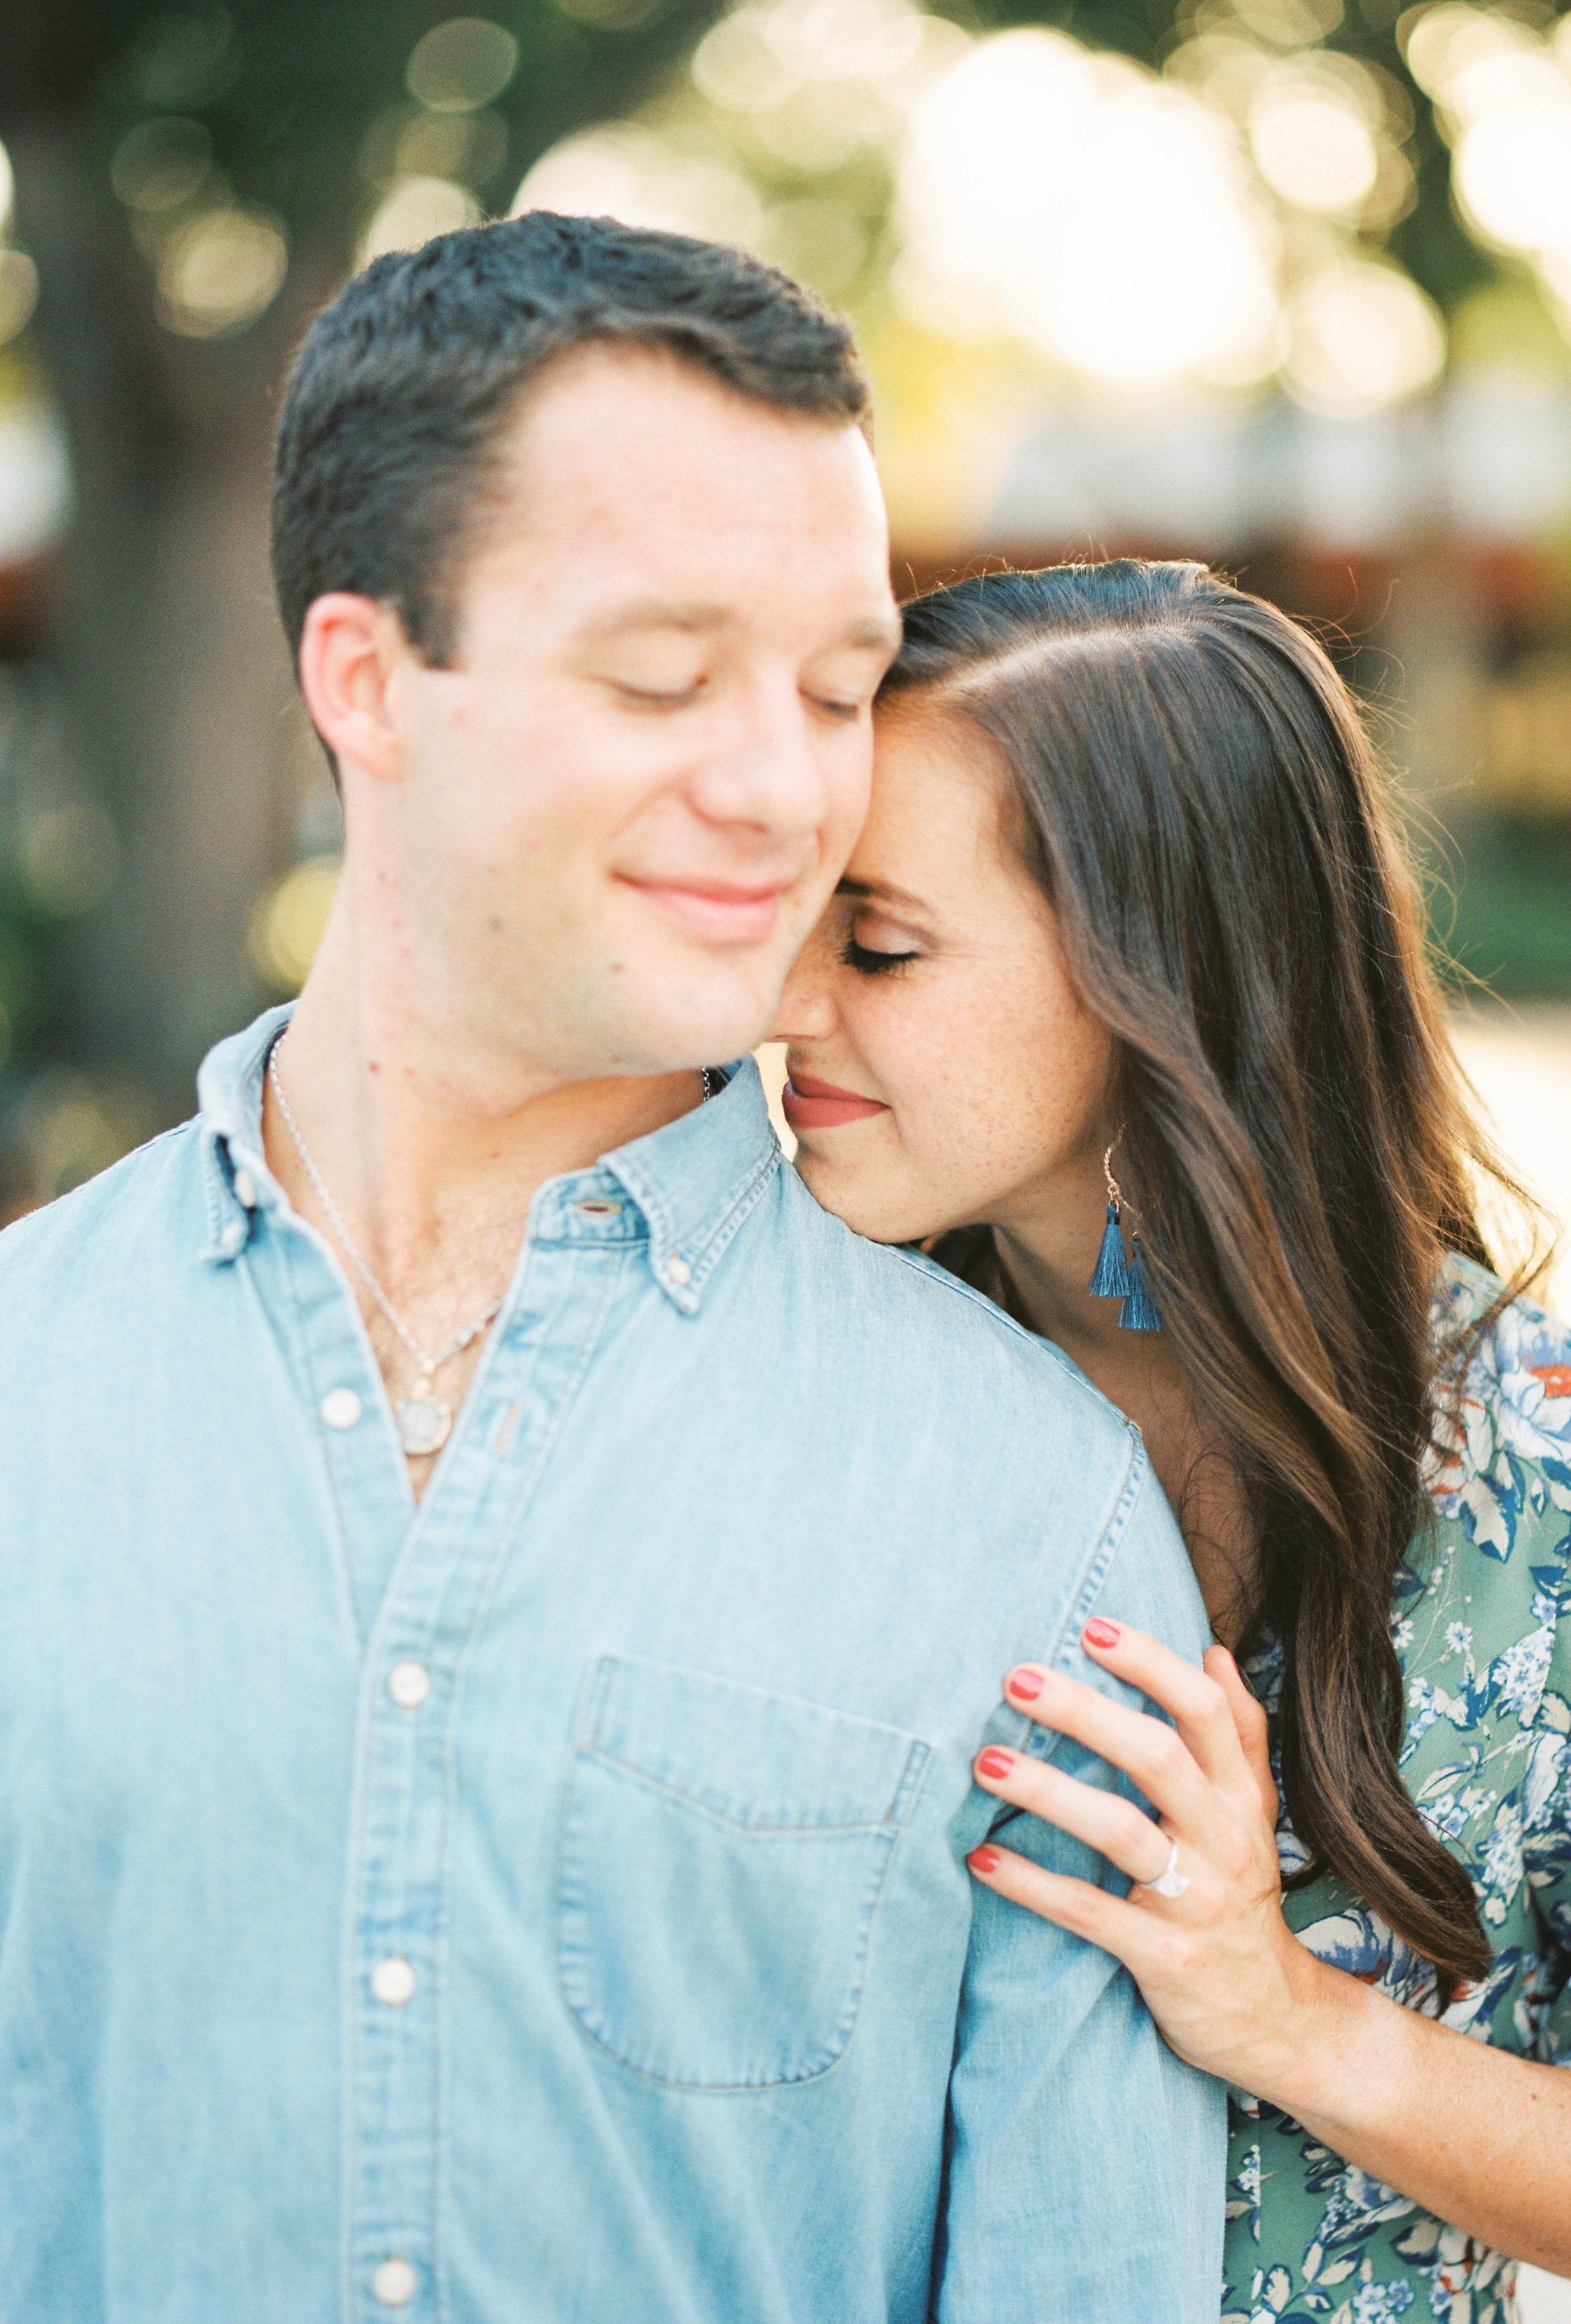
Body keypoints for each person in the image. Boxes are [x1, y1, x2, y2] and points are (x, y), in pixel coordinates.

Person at [0, 227, 1226, 2320]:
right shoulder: (30, 1391)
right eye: (662, 677)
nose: (778, 791)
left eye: (839, 691)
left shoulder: (1038, 1516)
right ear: (365, 680)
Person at [774, 558, 1571, 2323]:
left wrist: (1288, 2020)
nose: (785, 1003)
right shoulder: (771, 1401)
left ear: (1162, 976)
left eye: (879, 941)